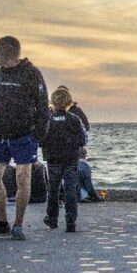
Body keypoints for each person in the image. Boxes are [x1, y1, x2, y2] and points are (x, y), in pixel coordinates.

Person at [0, 35, 50, 241]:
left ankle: (18, 224)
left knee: (22, 178)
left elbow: (43, 106)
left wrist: (38, 135)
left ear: (8, 51)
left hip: (24, 135)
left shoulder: (31, 73)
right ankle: (2, 223)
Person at [41, 87, 87, 232]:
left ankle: (52, 218)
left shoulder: (48, 120)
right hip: (71, 158)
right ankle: (70, 219)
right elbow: (82, 140)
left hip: (53, 159)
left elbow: (41, 140)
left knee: (53, 189)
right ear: (69, 102)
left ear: (52, 102)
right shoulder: (74, 119)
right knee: (70, 189)